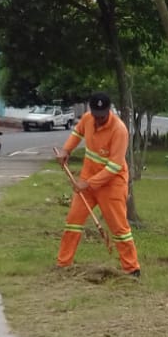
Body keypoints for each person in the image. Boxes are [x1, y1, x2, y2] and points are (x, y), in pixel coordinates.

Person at [55, 92, 141, 277]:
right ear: (91, 111)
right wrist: (66, 150)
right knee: (73, 222)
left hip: (112, 184)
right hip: (87, 180)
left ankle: (132, 268)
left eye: (102, 116)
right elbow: (77, 132)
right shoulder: (87, 118)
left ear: (109, 111)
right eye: (96, 115)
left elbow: (114, 166)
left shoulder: (119, 130)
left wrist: (88, 184)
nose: (99, 120)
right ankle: (63, 264)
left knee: (119, 228)